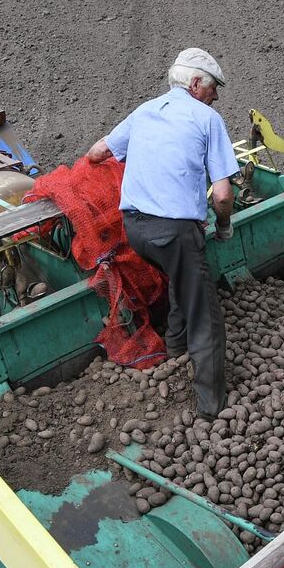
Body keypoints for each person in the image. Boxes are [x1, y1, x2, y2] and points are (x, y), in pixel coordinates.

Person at [87, 48, 240, 418]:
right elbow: (222, 194)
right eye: (214, 87)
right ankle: (211, 404)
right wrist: (223, 225)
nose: (216, 96)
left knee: (179, 272)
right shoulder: (207, 118)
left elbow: (95, 153)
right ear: (195, 83)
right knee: (206, 313)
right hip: (174, 231)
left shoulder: (144, 111)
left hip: (135, 229)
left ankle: (174, 345)